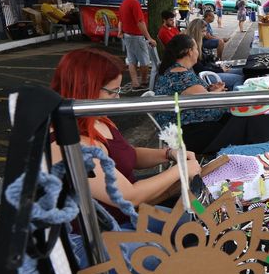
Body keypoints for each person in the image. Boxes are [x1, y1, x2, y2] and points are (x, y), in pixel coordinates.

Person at [50, 48, 201, 224]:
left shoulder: (98, 120)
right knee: (197, 230)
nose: (118, 97)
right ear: (85, 89)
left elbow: (129, 154)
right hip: (112, 232)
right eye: (112, 91)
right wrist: (181, 169)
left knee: (200, 216)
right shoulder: (66, 143)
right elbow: (128, 196)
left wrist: (168, 154)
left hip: (134, 212)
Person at [153, 35, 252, 154]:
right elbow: (208, 101)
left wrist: (211, 90)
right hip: (188, 134)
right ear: (190, 52)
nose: (197, 51)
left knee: (237, 118)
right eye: (196, 48)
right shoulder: (182, 76)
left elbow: (199, 96)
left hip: (179, 128)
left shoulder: (172, 71)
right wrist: (217, 91)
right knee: (241, 121)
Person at [187, 19, 244, 90]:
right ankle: (236, 98)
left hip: (210, 70)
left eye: (205, 31)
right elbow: (200, 69)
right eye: (203, 31)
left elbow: (205, 62)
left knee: (242, 71)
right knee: (239, 79)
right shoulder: (192, 46)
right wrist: (220, 70)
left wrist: (218, 65)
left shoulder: (199, 43)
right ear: (196, 32)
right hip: (206, 75)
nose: (205, 34)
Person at [119, 0, 156, 89]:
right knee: (144, 60)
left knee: (131, 60)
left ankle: (135, 82)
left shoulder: (124, 3)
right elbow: (140, 22)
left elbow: (120, 20)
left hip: (127, 35)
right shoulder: (134, 3)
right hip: (136, 36)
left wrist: (120, 31)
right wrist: (149, 37)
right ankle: (144, 81)